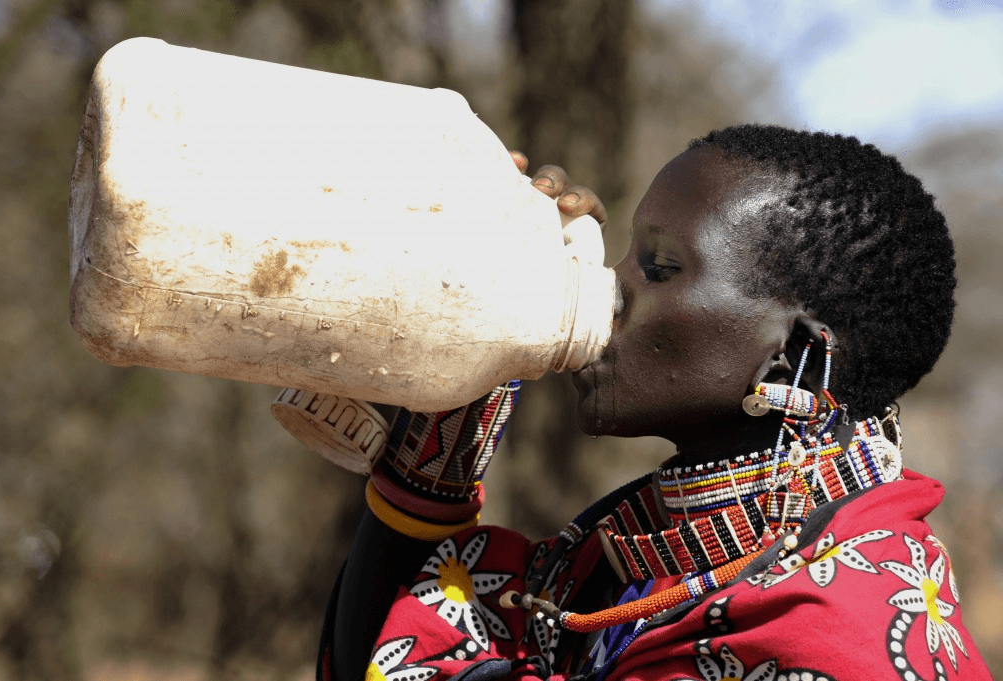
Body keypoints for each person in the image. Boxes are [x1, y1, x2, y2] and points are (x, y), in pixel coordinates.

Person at [316, 124, 992, 681]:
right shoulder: (629, 574)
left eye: (660, 267)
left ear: (792, 356)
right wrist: (469, 368)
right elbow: (389, 657)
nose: (612, 289)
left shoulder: (837, 639)